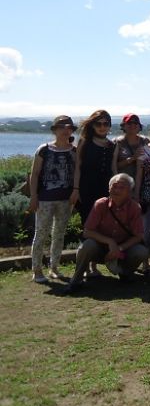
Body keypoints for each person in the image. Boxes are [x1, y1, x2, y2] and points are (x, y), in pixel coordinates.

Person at [65, 173, 148, 293]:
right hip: (100, 249)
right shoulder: (100, 204)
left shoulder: (135, 208)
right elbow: (87, 232)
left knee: (141, 251)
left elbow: (138, 236)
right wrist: (110, 242)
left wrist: (119, 248)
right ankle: (76, 280)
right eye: (114, 186)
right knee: (86, 246)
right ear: (109, 188)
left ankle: (125, 273)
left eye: (122, 187)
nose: (117, 190)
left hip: (123, 252)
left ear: (129, 191)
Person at [29, 115, 77, 283]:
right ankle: (36, 269)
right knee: (41, 233)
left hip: (65, 199)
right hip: (45, 199)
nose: (65, 130)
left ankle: (54, 267)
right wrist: (33, 196)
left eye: (69, 127)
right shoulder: (44, 149)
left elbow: (77, 173)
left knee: (59, 234)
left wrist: (76, 192)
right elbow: (34, 174)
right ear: (55, 130)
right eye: (62, 127)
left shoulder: (74, 150)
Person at [73, 109, 116, 277]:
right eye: (99, 123)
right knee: (87, 226)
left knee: (101, 226)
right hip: (86, 190)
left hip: (105, 191)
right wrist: (76, 190)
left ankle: (93, 266)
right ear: (93, 125)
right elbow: (77, 168)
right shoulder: (85, 142)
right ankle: (83, 267)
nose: (102, 127)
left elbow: (113, 169)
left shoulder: (112, 145)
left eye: (106, 124)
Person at [112, 113, 149, 178]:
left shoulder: (145, 141)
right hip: (123, 182)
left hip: (143, 182)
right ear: (123, 126)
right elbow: (113, 166)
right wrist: (132, 158)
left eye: (135, 123)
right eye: (129, 123)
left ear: (139, 126)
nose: (132, 125)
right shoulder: (117, 142)